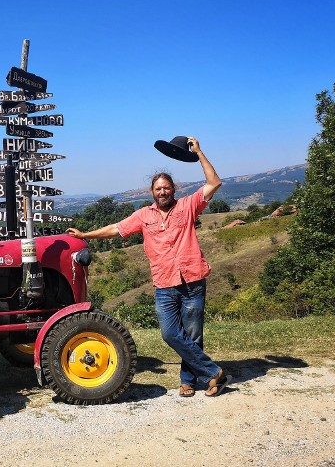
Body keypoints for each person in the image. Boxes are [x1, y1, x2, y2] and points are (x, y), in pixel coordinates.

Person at [66, 137, 232, 398]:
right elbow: (115, 229)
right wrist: (85, 235)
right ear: (152, 192)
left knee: (192, 334)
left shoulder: (188, 206)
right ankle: (213, 372)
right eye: (158, 189)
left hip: (192, 280)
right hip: (165, 284)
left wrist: (199, 153)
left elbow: (214, 183)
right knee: (170, 334)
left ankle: (189, 381)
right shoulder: (144, 215)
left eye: (166, 188)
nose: (163, 192)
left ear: (173, 190)